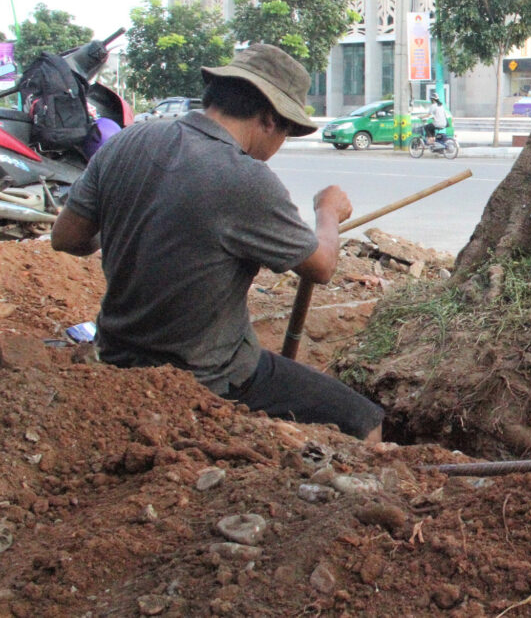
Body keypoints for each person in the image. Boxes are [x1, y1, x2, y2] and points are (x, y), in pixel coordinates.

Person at [50, 44, 384, 443]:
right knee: (365, 420)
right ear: (268, 119)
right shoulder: (245, 179)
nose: (279, 147)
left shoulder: (127, 141)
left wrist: (139, 222)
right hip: (208, 375)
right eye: (287, 132)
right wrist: (327, 212)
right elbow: (322, 266)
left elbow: (67, 239)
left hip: (117, 354)